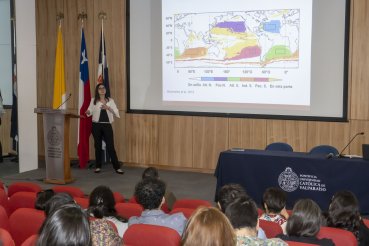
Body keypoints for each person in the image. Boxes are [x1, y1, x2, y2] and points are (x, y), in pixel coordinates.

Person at [86, 84, 123, 174]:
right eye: (100, 88)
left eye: (103, 88)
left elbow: (116, 113)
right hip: (96, 125)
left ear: (105, 90)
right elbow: (89, 111)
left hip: (107, 125)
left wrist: (108, 107)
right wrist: (88, 112)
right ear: (97, 90)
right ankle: (98, 166)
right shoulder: (93, 100)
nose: (102, 90)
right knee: (97, 146)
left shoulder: (110, 100)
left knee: (110, 146)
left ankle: (117, 167)